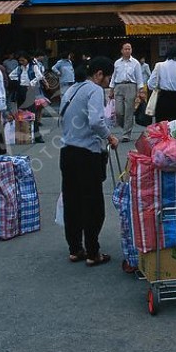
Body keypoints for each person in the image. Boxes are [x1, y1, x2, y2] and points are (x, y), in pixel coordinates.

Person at [59, 56, 119, 265]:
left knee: (72, 202)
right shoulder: (94, 90)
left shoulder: (71, 89)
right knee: (93, 204)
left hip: (67, 152)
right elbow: (96, 120)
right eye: (108, 77)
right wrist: (109, 136)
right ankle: (94, 252)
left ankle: (75, 249)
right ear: (99, 74)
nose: (108, 82)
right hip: (86, 154)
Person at [148, 48, 176, 127]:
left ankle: (164, 139)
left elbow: (151, 84)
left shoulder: (159, 65)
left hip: (163, 98)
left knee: (162, 126)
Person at [109, 42, 146, 136]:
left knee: (129, 110)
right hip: (119, 86)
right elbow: (114, 76)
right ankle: (125, 125)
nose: (127, 50)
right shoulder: (117, 63)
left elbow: (139, 77)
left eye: (129, 49)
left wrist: (140, 90)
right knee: (118, 111)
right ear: (122, 50)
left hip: (131, 86)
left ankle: (126, 134)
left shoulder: (135, 63)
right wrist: (111, 89)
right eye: (125, 49)